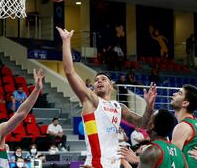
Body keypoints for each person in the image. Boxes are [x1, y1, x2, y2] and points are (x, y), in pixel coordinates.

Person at [57, 27, 156, 168]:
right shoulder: (91, 100)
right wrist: (66, 42)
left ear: (112, 86)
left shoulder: (119, 107)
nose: (99, 81)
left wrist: (149, 107)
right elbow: (69, 71)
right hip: (96, 164)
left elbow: (143, 124)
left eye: (103, 79)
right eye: (96, 80)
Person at [120, 109, 188, 168]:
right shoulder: (180, 154)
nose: (147, 121)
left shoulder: (152, 151)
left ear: (152, 125)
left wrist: (125, 163)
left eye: (150, 119)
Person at [170, 84, 197, 168]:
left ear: (185, 103)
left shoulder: (182, 127)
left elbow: (173, 160)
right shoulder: (195, 121)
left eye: (180, 93)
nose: (174, 94)